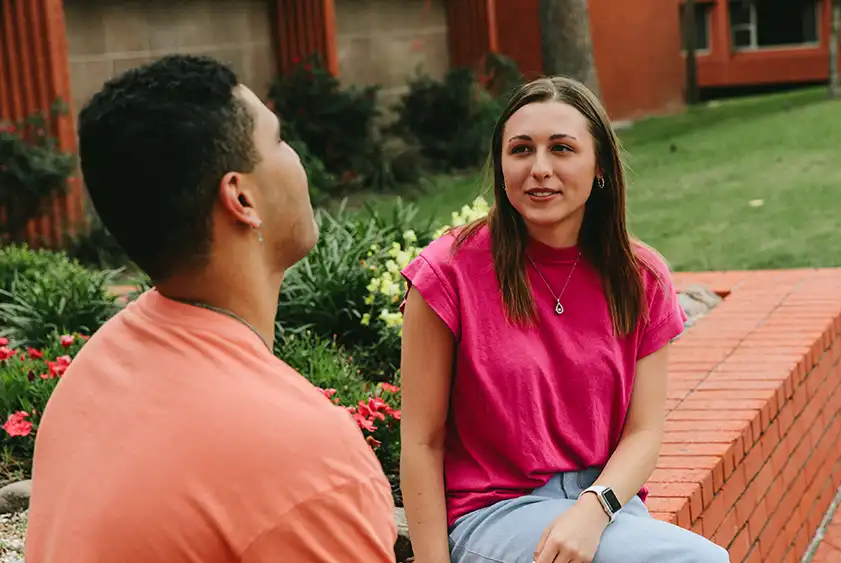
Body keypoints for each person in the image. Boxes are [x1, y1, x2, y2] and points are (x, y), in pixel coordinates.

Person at [25, 54, 396, 562]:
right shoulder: (305, 458)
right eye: (279, 139)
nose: (296, 157)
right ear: (241, 198)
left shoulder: (94, 370)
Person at [398, 76, 731, 563]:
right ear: (501, 166)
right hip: (494, 513)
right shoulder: (448, 271)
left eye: (561, 148)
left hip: (608, 509)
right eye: (521, 150)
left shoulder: (640, 277)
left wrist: (594, 509)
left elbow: (644, 433)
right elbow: (421, 442)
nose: (539, 169)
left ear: (600, 166)